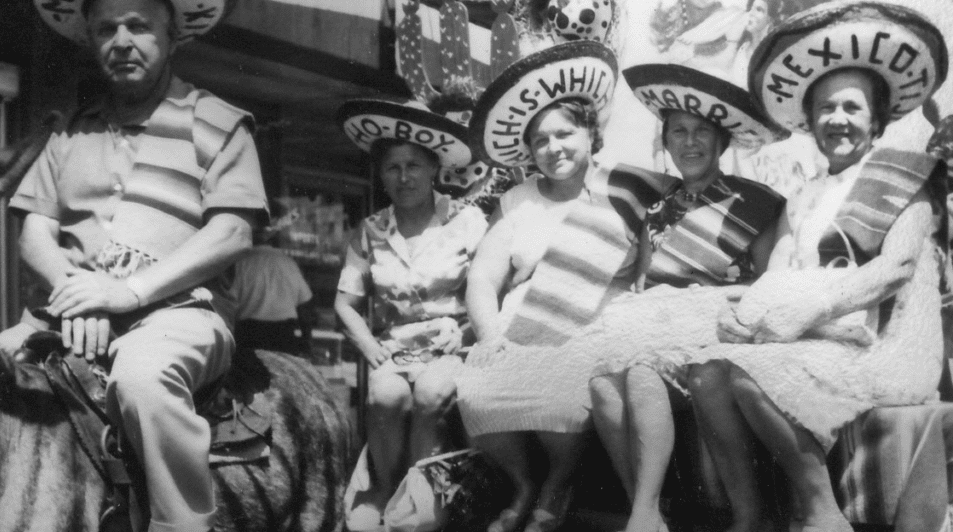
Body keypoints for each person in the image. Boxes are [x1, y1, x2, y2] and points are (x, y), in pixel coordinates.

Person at [0, 0, 268, 532]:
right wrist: (79, 296)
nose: (122, 40)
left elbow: (231, 233)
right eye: (106, 29)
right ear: (91, 41)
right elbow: (33, 230)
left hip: (178, 315)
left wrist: (126, 293)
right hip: (65, 311)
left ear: (172, 37)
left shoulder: (220, 123)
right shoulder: (69, 130)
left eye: (139, 26)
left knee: (144, 380)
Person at [687, 1, 948, 532]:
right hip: (822, 334)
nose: (838, 120)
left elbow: (895, 270)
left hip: (888, 346)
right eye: (826, 109)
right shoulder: (803, 197)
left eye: (852, 108)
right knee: (707, 374)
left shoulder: (910, 178)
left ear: (876, 119)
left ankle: (820, 512)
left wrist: (808, 311)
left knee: (752, 379)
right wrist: (744, 314)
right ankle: (751, 514)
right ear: (810, 122)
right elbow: (776, 275)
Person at [586, 63, 786, 532]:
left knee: (639, 372)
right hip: (661, 333)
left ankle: (647, 515)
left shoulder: (754, 202)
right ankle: (649, 508)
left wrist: (713, 297)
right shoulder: (657, 210)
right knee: (601, 383)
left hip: (720, 331)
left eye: (702, 132)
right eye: (679, 131)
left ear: (722, 142)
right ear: (667, 140)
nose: (690, 142)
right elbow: (641, 286)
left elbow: (776, 283)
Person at [455, 35, 620, 532]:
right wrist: (490, 337)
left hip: (592, 323)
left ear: (589, 133)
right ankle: (524, 482)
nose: (553, 148)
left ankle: (559, 483)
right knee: (477, 391)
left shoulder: (621, 191)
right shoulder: (518, 200)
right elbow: (483, 280)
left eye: (564, 134)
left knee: (559, 397)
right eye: (540, 141)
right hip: (522, 326)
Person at [335, 98, 488, 530]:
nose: (404, 177)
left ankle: (423, 492)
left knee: (431, 393)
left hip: (453, 346)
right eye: (393, 167)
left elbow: (492, 288)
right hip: (395, 350)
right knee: (385, 396)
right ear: (381, 175)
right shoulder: (370, 231)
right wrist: (369, 347)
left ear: (435, 169)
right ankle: (383, 486)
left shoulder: (467, 220)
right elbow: (344, 304)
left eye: (414, 165)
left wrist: (469, 332)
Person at [230, 230, 313, 355]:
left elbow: (228, 304)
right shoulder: (288, 263)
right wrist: (306, 341)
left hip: (248, 335)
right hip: (284, 335)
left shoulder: (239, 263)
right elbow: (304, 306)